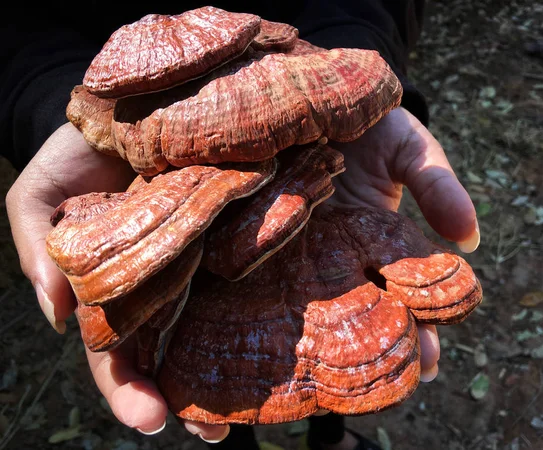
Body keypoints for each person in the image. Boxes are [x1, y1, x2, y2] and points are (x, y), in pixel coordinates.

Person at [3, 1, 480, 449]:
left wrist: (343, 69)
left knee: (336, 353)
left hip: (292, 54)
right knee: (226, 385)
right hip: (112, 97)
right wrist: (43, 100)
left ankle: (330, 435)